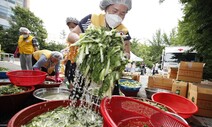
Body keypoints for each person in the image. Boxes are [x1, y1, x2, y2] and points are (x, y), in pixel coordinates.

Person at [67, 0, 132, 96]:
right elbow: (71, 35)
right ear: (106, 8)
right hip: (86, 69)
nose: (118, 16)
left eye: (122, 13)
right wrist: (85, 40)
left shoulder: (123, 31)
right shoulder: (91, 20)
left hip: (108, 74)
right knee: (79, 96)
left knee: (109, 98)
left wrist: (123, 57)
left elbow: (127, 52)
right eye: (114, 11)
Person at [62, 17, 79, 86]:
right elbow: (69, 48)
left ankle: (73, 88)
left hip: (76, 60)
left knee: (75, 76)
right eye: (69, 27)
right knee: (68, 74)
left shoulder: (80, 36)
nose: (71, 28)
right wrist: (66, 57)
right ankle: (70, 87)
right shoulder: (70, 36)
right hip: (70, 59)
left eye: (73, 26)